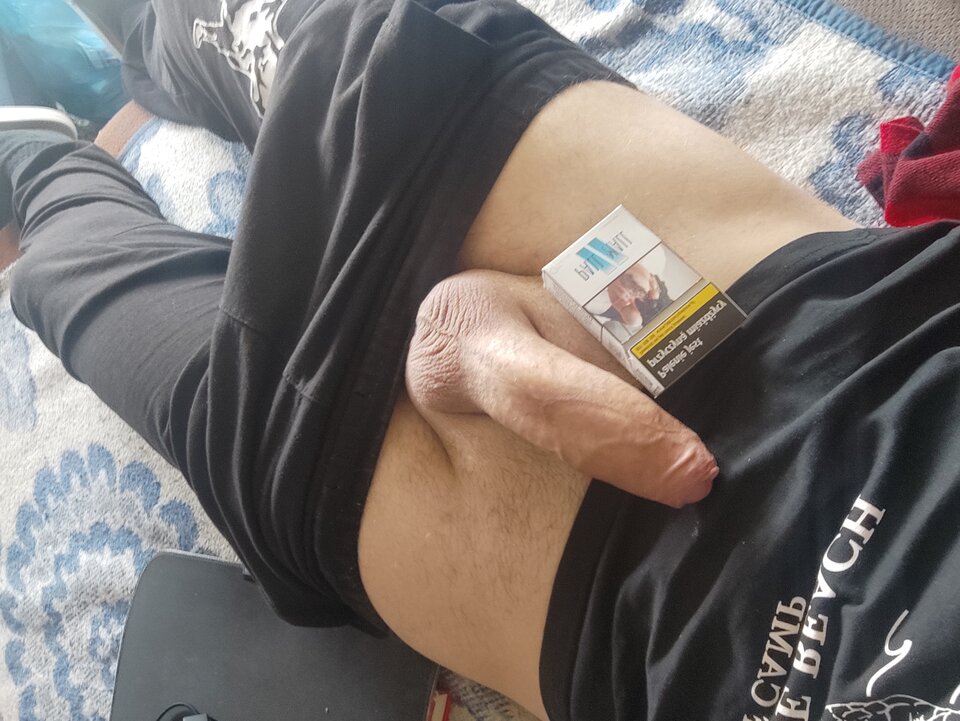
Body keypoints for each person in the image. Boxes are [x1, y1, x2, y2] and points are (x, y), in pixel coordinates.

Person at [2, 1, 959, 720]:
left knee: (56, 261)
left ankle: (33, 142)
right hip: (489, 151)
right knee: (208, 23)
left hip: (320, 474)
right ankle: (144, 55)